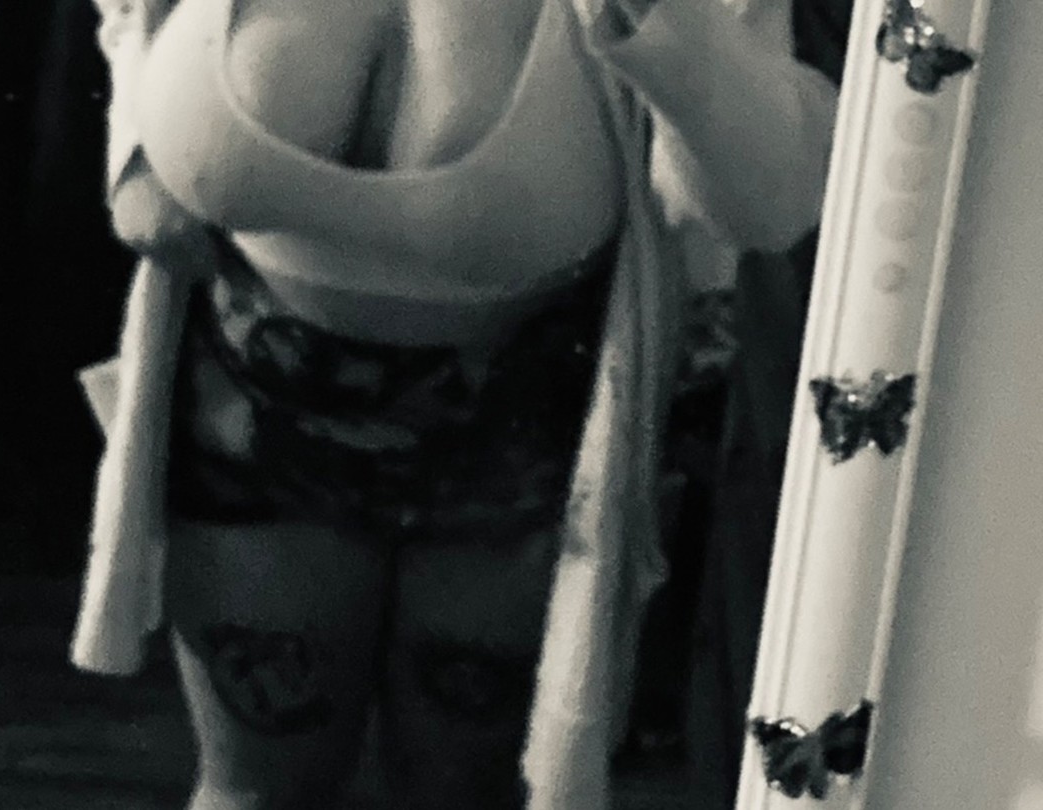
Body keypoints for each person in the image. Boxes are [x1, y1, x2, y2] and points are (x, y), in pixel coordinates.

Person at [71, 0, 837, 807]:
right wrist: (136, 139)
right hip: (254, 414)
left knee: (461, 796)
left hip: (517, 450)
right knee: (256, 795)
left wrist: (664, 19)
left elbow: (767, 208)